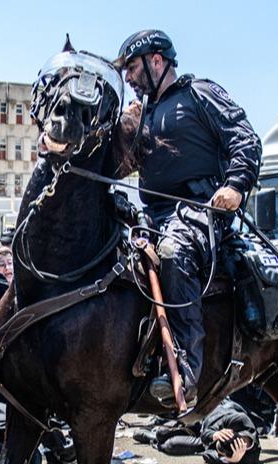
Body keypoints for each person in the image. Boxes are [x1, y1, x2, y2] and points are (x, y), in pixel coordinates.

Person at [114, 29, 262, 408]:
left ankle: (185, 370)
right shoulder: (141, 113)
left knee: (172, 250)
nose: (128, 77)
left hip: (199, 211)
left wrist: (236, 185)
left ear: (157, 61)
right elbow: (118, 166)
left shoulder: (200, 93)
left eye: (132, 67)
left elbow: (245, 139)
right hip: (152, 214)